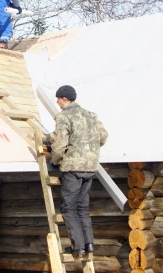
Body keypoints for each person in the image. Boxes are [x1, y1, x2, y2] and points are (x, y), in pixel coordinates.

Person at [49, 85, 108, 258]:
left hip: (73, 167)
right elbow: (103, 136)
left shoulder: (64, 116)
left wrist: (55, 160)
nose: (57, 102)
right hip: (90, 167)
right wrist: (89, 149)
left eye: (58, 99)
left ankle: (78, 247)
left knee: (69, 208)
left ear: (65, 99)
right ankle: (89, 244)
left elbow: (59, 145)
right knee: (83, 207)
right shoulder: (91, 115)